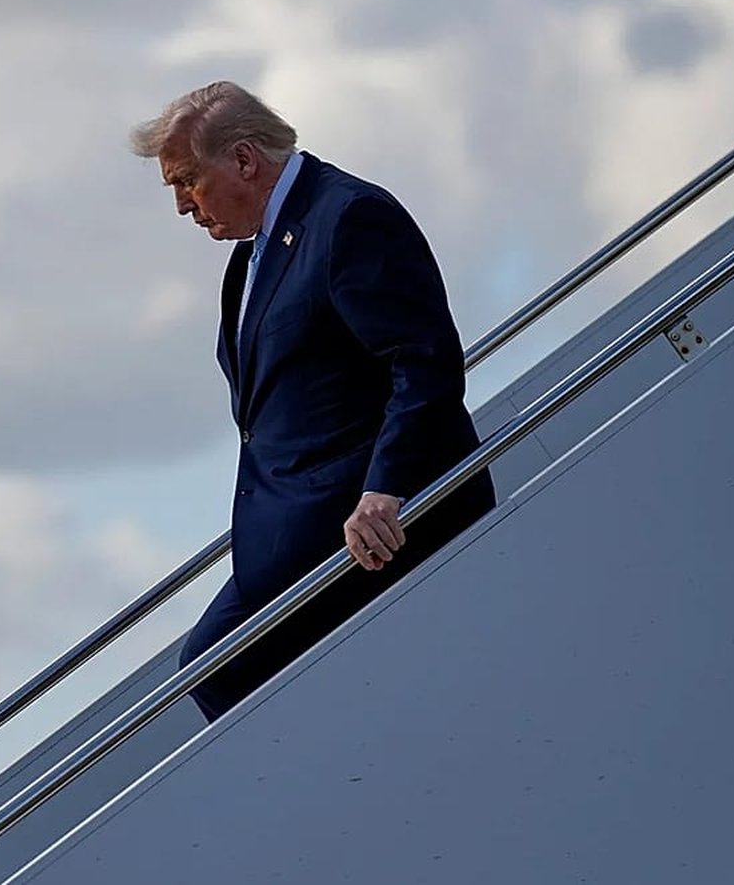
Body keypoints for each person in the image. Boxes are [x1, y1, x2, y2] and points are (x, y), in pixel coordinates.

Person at [130, 81, 497, 723]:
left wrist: (387, 490)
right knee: (210, 669)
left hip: (371, 526)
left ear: (244, 160)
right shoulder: (253, 256)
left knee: (222, 668)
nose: (184, 206)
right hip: (292, 535)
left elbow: (423, 362)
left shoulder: (348, 217)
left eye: (188, 181)